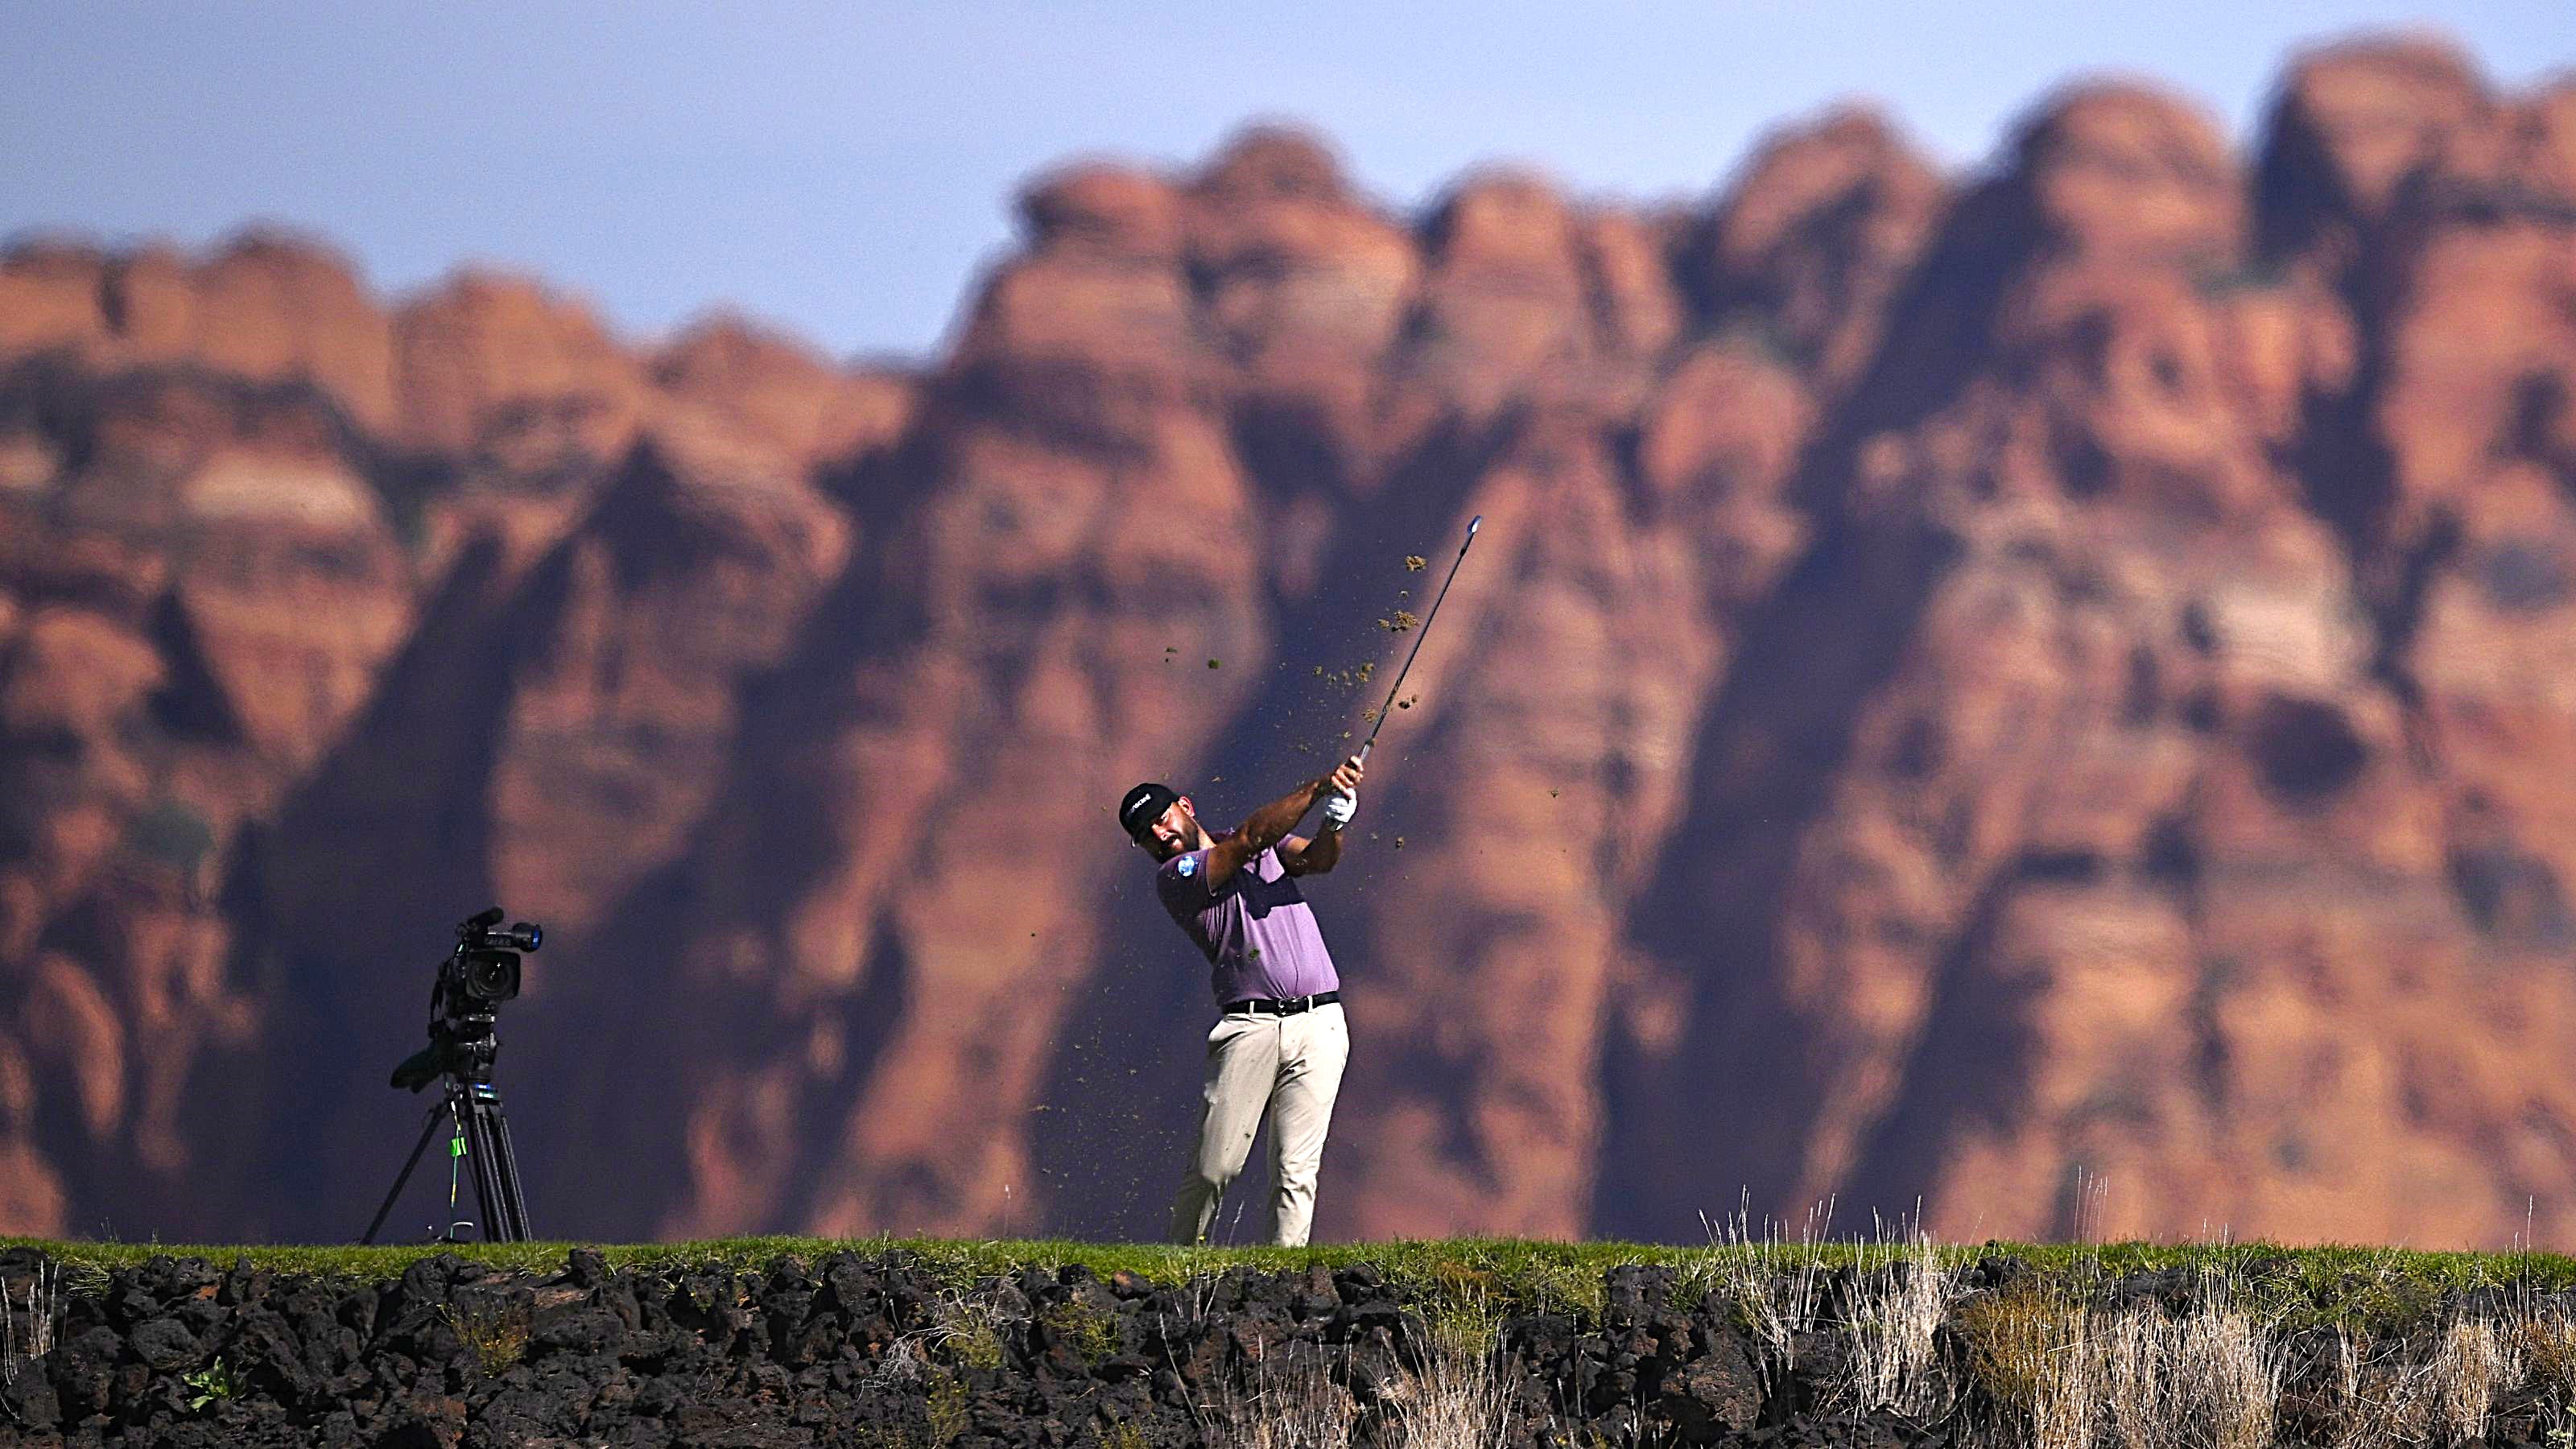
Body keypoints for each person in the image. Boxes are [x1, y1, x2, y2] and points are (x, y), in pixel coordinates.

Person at [1119, 755, 1365, 1247]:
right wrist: (1318, 788)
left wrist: (1334, 823)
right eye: (1148, 834)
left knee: (1297, 1169)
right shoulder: (1178, 875)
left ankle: (1287, 1284)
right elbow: (1251, 839)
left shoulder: (1254, 844)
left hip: (1321, 1021)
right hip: (1251, 1028)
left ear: (1184, 806)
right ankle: (1176, 1263)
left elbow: (1316, 860)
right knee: (1217, 1167)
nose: (1161, 834)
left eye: (1163, 819)